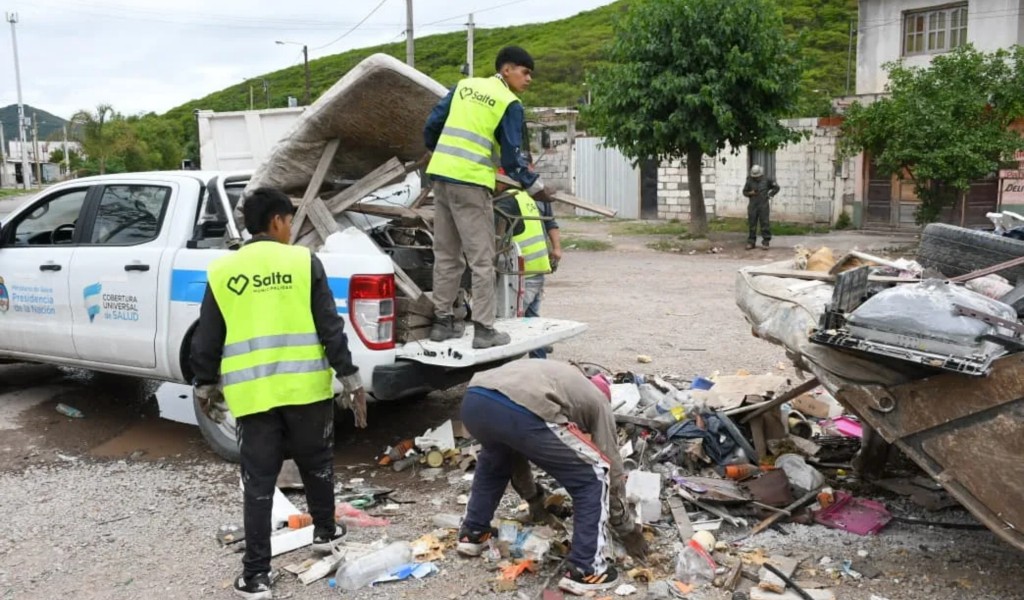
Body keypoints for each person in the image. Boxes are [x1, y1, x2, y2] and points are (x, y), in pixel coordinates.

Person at [190, 187, 366, 600]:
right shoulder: (303, 262)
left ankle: (256, 577)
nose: (290, 229)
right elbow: (329, 326)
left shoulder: (223, 272)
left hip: (253, 398)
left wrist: (204, 384)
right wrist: (350, 377)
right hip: (306, 390)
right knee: (317, 464)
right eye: (289, 221)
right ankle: (325, 531)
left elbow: (207, 337)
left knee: (259, 484)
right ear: (277, 222)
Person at [454, 360, 646, 596]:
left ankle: (473, 533)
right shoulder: (598, 402)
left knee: (496, 458)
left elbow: (517, 455)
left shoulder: (557, 378)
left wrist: (534, 499)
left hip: (475, 400)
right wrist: (624, 527)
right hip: (520, 408)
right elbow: (612, 465)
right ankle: (586, 569)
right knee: (594, 476)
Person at [423, 45, 554, 349]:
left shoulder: (464, 87)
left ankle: (442, 323)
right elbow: (513, 156)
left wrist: (435, 149)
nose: (528, 79)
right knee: (482, 260)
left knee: (446, 255)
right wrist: (536, 188)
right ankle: (484, 329)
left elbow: (432, 124)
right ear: (506, 70)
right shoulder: (509, 101)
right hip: (470, 183)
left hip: (440, 177)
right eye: (525, 72)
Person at [494, 187, 562, 358]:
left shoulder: (506, 200)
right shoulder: (527, 197)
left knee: (509, 325)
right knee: (532, 321)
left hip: (522, 273)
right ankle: (539, 361)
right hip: (536, 268)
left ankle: (507, 370)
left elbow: (494, 232)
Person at [742, 164, 780, 250]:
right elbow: (744, 192)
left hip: (763, 205)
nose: (756, 178)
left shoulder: (767, 180)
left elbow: (776, 187)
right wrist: (750, 193)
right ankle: (751, 242)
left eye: (757, 176)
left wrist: (770, 195)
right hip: (753, 205)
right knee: (752, 224)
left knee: (764, 223)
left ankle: (766, 242)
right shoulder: (749, 180)